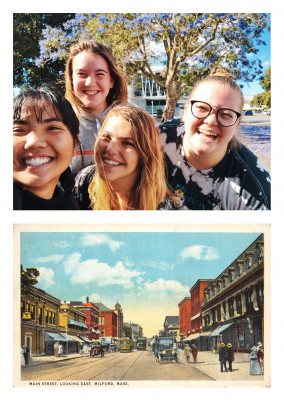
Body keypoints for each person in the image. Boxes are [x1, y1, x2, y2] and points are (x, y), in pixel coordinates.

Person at [159, 67, 271, 210]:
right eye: (202, 108)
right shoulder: (157, 139)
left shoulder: (254, 191)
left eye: (225, 114)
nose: (211, 121)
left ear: (237, 125)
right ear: (186, 111)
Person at [73, 105, 177, 210]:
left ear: (145, 154)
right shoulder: (84, 181)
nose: (110, 149)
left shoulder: (163, 208)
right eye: (106, 137)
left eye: (127, 143)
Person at [65, 40, 128, 175]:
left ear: (111, 81)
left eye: (100, 74)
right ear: (71, 79)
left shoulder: (132, 122)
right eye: (82, 74)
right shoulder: (59, 124)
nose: (90, 82)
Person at [13, 87, 80, 210]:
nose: (34, 142)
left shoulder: (70, 206)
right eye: (18, 130)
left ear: (74, 145)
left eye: (53, 128)